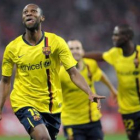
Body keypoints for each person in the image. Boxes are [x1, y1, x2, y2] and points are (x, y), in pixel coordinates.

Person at [0, 3, 106, 140]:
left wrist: (89, 92)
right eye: (25, 12)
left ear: (42, 18)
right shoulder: (12, 48)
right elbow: (5, 81)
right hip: (24, 101)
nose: (29, 13)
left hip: (51, 106)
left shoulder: (56, 42)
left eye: (33, 11)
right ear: (22, 19)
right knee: (43, 137)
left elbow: (73, 72)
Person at [84, 24, 140, 140]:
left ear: (127, 36)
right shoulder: (115, 53)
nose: (113, 38)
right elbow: (100, 56)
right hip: (127, 108)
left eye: (116, 35)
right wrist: (81, 55)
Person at [59, 39, 117, 140]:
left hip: (93, 119)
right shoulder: (61, 72)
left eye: (77, 48)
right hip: (72, 122)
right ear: (67, 52)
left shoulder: (91, 65)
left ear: (83, 51)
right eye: (71, 49)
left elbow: (101, 75)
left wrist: (112, 89)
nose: (75, 51)